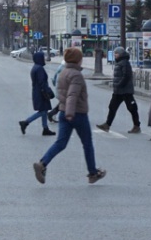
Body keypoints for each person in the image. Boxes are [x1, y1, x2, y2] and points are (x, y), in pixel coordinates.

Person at [33, 47, 105, 185]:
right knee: (87, 144)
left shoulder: (63, 72)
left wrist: (66, 111)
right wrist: (71, 112)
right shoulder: (76, 75)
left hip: (62, 111)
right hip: (77, 114)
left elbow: (62, 94)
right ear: (77, 59)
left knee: (60, 143)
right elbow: (72, 95)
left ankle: (42, 163)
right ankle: (92, 172)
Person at [96, 46, 141, 134]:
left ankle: (137, 126)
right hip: (118, 91)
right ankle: (107, 125)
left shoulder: (124, 63)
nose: (115, 55)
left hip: (126, 90)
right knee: (112, 107)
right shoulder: (120, 62)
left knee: (132, 108)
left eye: (116, 53)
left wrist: (119, 84)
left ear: (120, 54)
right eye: (114, 53)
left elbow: (126, 76)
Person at [18, 50, 56, 136]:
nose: (44, 59)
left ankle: (45, 128)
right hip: (41, 93)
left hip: (38, 92)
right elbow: (42, 83)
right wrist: (49, 92)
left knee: (44, 110)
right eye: (43, 57)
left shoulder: (35, 67)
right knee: (43, 111)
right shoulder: (39, 69)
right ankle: (26, 122)